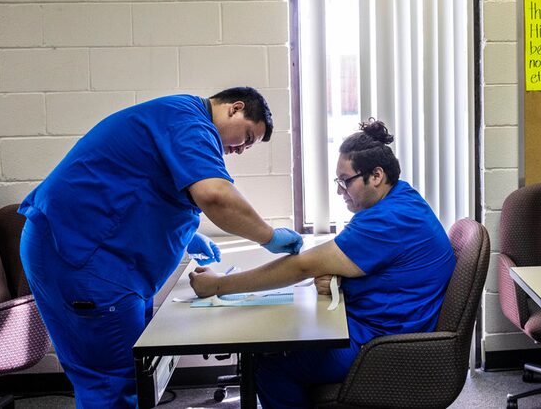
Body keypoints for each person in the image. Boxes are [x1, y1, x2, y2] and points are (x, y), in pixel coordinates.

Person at [18, 87, 303, 408]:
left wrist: (183, 236)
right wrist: (268, 236)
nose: (239, 150)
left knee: (135, 372)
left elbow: (142, 189)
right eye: (247, 138)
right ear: (235, 109)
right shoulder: (191, 123)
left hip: (103, 257)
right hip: (79, 256)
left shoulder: (179, 117)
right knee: (113, 380)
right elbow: (215, 195)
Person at [189, 118, 456, 409]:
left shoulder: (387, 220)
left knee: (272, 363)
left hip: (383, 346)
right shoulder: (401, 199)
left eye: (345, 181)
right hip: (381, 327)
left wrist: (219, 285)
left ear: (376, 175)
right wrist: (340, 278)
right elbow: (365, 262)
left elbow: (303, 266)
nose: (340, 190)